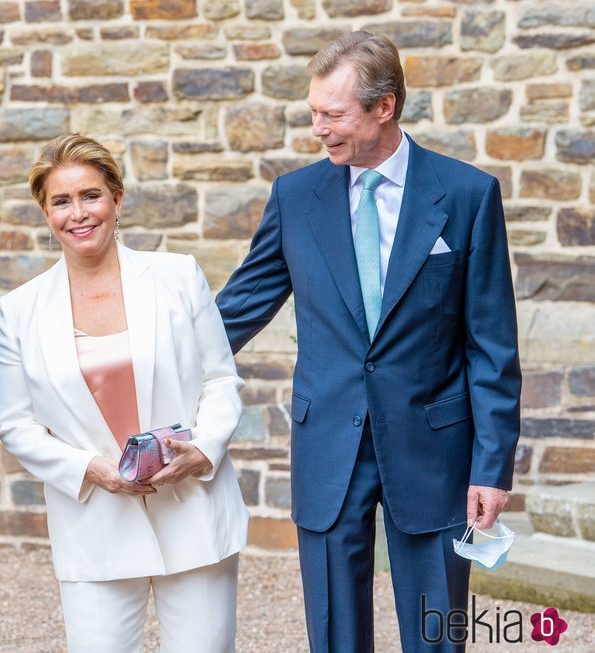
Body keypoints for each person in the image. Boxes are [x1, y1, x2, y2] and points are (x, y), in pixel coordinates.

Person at [216, 32, 521, 652]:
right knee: (333, 636)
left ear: (384, 107)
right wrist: (140, 358)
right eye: (313, 114)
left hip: (435, 450)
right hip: (328, 443)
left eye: (333, 115)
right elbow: (234, 312)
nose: (318, 130)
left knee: (438, 635)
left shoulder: (467, 195)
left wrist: (492, 467)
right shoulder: (295, 197)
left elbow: (492, 346)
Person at [0, 134, 249, 652]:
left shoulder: (178, 276)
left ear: (117, 199)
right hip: (95, 522)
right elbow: (15, 423)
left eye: (91, 195)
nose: (78, 213)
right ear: (45, 213)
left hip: (193, 508)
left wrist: (203, 451)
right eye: (60, 202)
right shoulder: (20, 310)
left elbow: (221, 380)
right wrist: (91, 469)